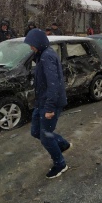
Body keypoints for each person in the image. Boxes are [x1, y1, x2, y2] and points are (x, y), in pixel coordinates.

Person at [24, 28, 70, 179]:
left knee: (45, 136)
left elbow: (53, 84)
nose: (30, 47)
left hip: (50, 103)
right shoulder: (41, 55)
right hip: (41, 102)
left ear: (38, 42)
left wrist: (49, 108)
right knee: (36, 132)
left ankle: (60, 164)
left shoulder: (47, 56)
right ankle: (62, 144)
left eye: (32, 44)